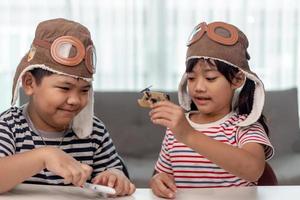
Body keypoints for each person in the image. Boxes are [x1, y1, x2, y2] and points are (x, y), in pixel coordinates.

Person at [0, 18, 135, 196]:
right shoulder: (10, 126)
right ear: (29, 83)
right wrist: (44, 156)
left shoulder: (94, 131)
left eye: (84, 90)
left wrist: (115, 177)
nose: (75, 100)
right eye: (64, 88)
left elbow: (115, 171)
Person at [148, 21, 274, 198]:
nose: (198, 87)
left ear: (237, 80)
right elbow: (161, 175)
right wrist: (158, 181)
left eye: (210, 78)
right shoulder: (176, 128)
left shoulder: (244, 126)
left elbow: (254, 170)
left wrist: (189, 135)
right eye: (191, 78)